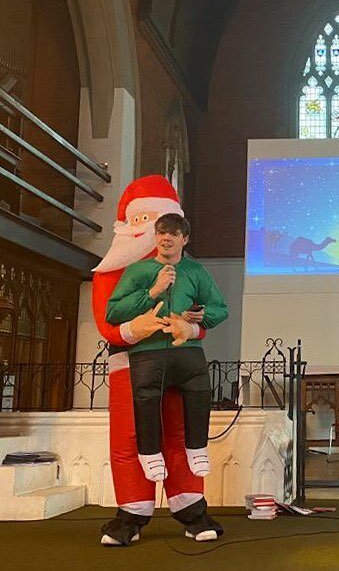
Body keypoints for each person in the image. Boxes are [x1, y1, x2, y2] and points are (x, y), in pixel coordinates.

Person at [92, 175, 222, 545]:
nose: (155, 232)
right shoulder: (114, 270)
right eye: (144, 221)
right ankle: (131, 515)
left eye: (163, 223)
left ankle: (192, 511)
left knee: (180, 432)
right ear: (128, 225)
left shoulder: (191, 270)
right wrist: (137, 326)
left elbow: (207, 313)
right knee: (130, 438)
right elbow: (108, 321)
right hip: (129, 364)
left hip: (178, 359)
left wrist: (192, 328)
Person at [107, 213, 228, 493]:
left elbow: (221, 309)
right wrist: (152, 292)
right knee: (146, 399)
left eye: (173, 233)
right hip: (147, 351)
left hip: (187, 350)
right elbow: (113, 312)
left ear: (184, 239)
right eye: (161, 232)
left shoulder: (196, 272)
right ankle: (148, 453)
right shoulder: (137, 271)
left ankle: (197, 448)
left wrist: (197, 318)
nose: (166, 238)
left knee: (200, 392)